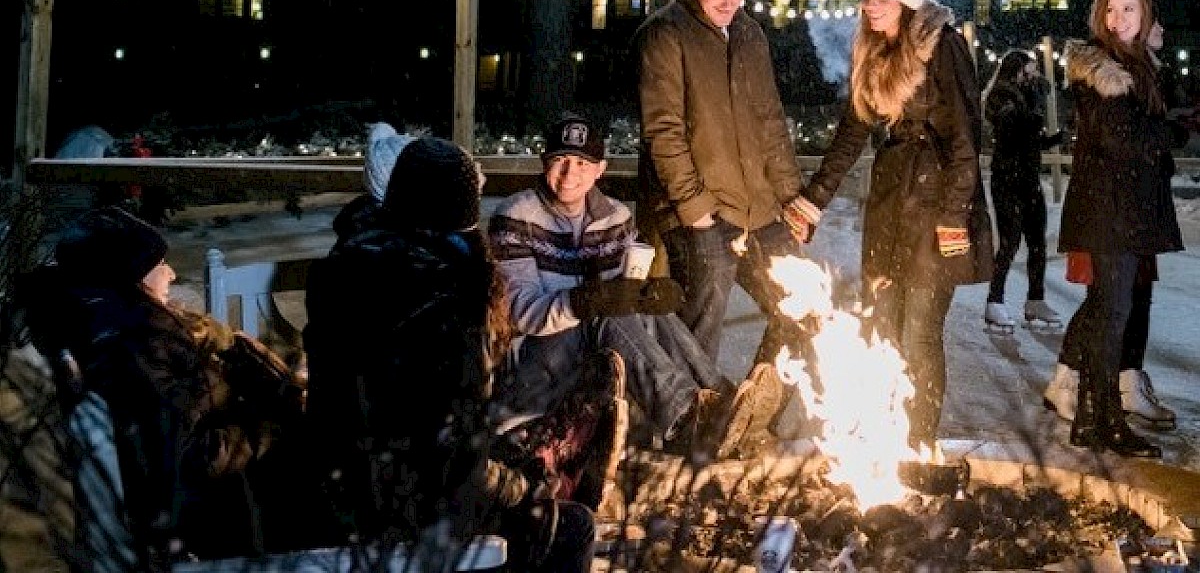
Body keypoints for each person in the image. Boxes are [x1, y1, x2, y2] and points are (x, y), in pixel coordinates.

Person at [303, 136, 596, 571]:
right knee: (573, 526)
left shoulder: (345, 265)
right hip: (406, 518)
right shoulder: (447, 302)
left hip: (337, 483)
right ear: (462, 215)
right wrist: (522, 487)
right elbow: (449, 462)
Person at [782, 0, 994, 452]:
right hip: (889, 204)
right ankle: (885, 439)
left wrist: (953, 218)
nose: (869, 5)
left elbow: (966, 140)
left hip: (935, 206)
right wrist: (815, 198)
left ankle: (919, 442)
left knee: (919, 334)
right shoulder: (872, 51)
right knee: (883, 328)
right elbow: (853, 131)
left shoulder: (942, 47)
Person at [15, 205, 314, 570]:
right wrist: (274, 427)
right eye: (160, 265)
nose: (171, 273)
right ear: (130, 280)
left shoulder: (126, 331)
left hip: (206, 500)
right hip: (213, 518)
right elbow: (190, 459)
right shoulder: (139, 348)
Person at [488, 113, 784, 465]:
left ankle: (723, 405)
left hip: (599, 364)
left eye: (582, 163)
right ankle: (688, 417)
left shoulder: (614, 216)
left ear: (600, 169)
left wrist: (648, 295)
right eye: (560, 161)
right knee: (607, 316)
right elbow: (519, 313)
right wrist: (588, 300)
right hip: (534, 369)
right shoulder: (516, 215)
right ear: (544, 162)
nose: (570, 174)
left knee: (644, 312)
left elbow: (625, 301)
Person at [636, 0, 809, 377]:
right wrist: (696, 210)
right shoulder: (665, 35)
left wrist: (792, 199)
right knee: (699, 329)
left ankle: (755, 410)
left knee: (802, 309)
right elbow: (664, 131)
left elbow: (771, 122)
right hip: (701, 211)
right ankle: (693, 428)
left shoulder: (751, 35)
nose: (728, 2)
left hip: (762, 208)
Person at [1048, 0, 1185, 458]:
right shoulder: (1098, 68)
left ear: (1145, 15)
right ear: (1100, 16)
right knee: (1112, 317)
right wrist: (1170, 132)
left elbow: (1151, 122)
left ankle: (1092, 420)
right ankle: (1103, 420)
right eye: (1112, 9)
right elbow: (1123, 138)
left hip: (1123, 211)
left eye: (1130, 9)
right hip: (1109, 212)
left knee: (1111, 314)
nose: (1120, 18)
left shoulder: (1138, 66)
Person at [981, 49, 1065, 332]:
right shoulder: (1000, 97)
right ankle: (995, 300)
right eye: (1029, 70)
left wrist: (1052, 139)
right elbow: (1011, 131)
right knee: (1009, 242)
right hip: (1007, 179)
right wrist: (1032, 107)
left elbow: (1029, 140)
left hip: (1028, 179)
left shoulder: (1026, 97)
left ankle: (1036, 299)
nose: (1033, 75)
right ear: (1016, 70)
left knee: (1037, 242)